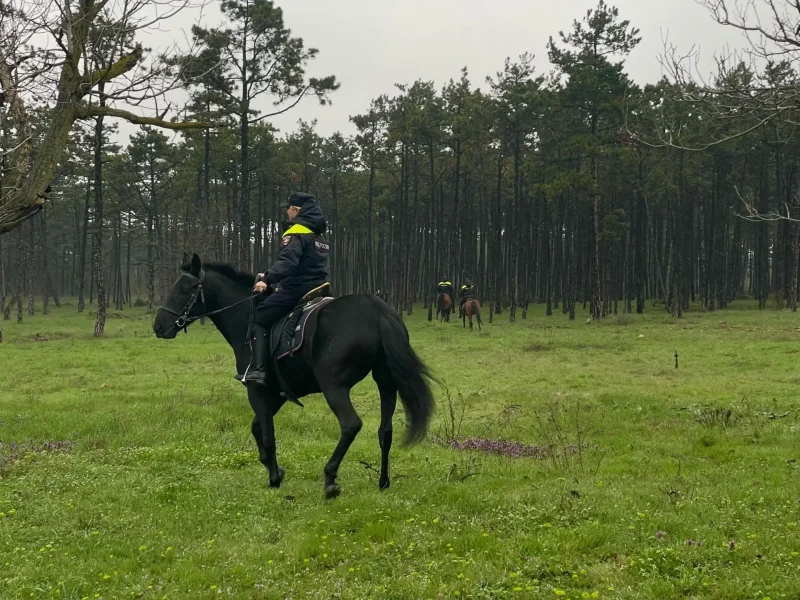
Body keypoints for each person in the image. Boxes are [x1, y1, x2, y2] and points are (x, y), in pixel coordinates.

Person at [240, 192, 329, 386]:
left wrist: (267, 280)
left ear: (296, 210)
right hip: (319, 287)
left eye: (288, 208)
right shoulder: (319, 235)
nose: (287, 212)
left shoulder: (296, 232)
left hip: (297, 288)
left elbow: (288, 262)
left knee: (260, 317)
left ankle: (259, 370)